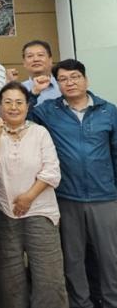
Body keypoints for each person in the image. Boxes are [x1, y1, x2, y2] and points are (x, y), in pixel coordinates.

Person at [28, 59, 117, 308]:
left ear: (86, 79)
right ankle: (81, 303)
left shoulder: (108, 111)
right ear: (57, 84)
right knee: (73, 259)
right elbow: (22, 115)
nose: (70, 82)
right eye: (63, 79)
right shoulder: (49, 110)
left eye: (75, 77)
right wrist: (33, 93)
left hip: (105, 198)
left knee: (110, 258)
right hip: (67, 197)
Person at [0, 82, 68, 308]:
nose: (13, 107)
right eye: (8, 102)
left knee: (49, 276)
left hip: (40, 212)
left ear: (27, 106)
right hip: (4, 212)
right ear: (0, 106)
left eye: (19, 102)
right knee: (8, 279)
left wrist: (28, 197)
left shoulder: (39, 132)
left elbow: (52, 171)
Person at [16, 40, 61, 106]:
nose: (36, 59)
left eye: (40, 55)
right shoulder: (18, 89)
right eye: (30, 56)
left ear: (50, 60)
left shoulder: (63, 85)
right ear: (24, 63)